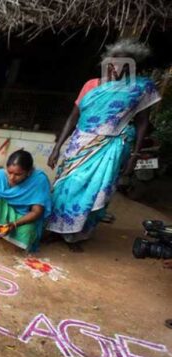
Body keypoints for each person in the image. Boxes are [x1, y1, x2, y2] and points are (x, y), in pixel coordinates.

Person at [46, 39, 161, 251]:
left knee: (95, 191)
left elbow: (143, 122)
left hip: (112, 147)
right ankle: (55, 229)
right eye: (111, 64)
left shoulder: (140, 88)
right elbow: (73, 118)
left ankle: (76, 236)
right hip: (79, 144)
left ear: (131, 66)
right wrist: (57, 147)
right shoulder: (91, 85)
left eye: (121, 65)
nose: (115, 69)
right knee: (65, 187)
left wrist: (134, 156)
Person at [0, 150, 52, 252]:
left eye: (18, 174)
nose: (12, 178)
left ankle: (10, 232)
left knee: (28, 232)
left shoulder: (38, 180)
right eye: (9, 172)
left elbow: (37, 211)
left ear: (28, 172)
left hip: (21, 217)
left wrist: (14, 224)